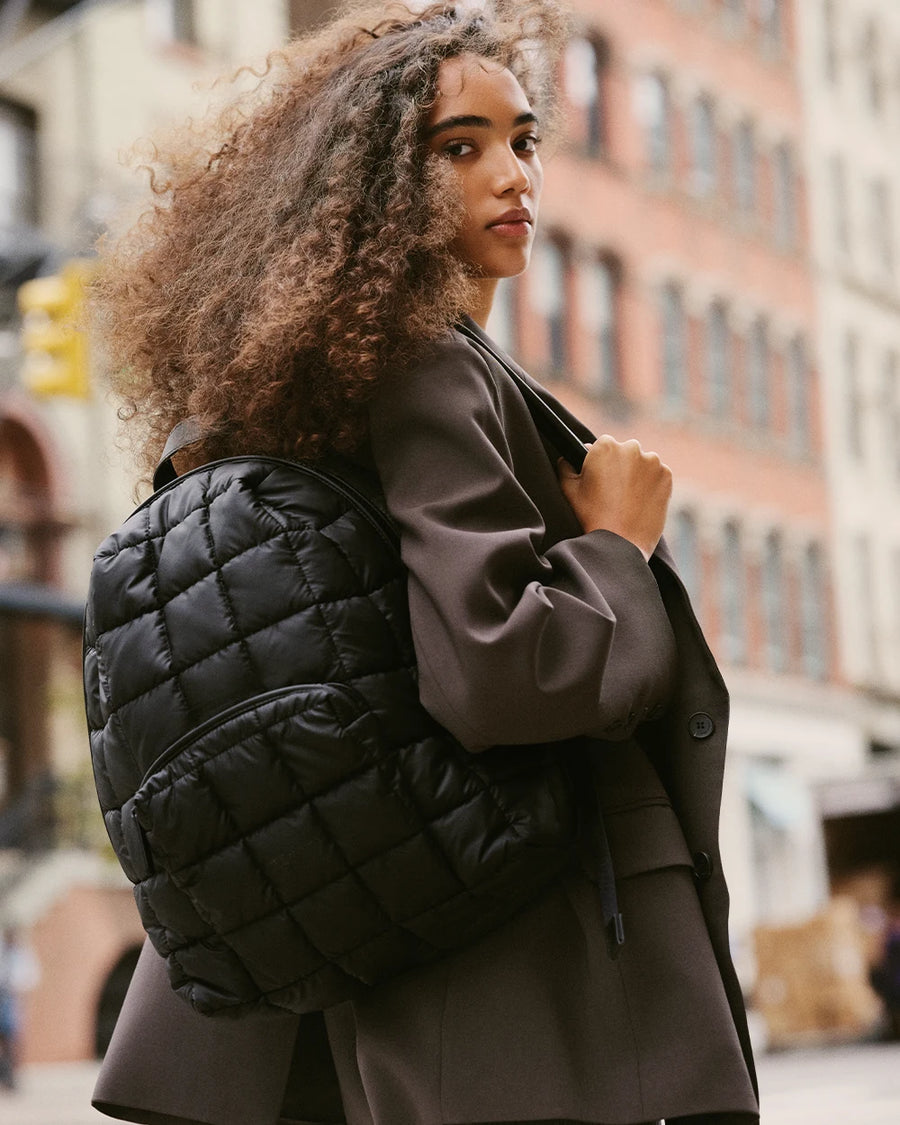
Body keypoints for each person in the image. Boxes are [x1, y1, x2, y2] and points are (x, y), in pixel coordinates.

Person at [90, 4, 759, 1124]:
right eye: (459, 147)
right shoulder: (432, 369)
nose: (512, 175)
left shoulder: (283, 387)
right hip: (501, 966)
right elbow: (501, 672)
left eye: (523, 140)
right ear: (371, 185)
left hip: (356, 942)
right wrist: (614, 545)